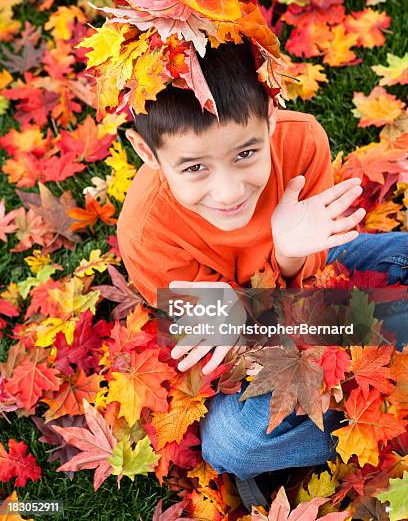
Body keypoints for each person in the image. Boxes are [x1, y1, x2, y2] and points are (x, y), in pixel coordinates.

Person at [116, 38, 408, 509]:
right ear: (147, 153)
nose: (228, 191)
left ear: (269, 118)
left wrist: (293, 257)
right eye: (194, 167)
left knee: (385, 258)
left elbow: (319, 276)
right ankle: (378, 407)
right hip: (258, 338)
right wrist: (283, 262)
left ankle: (382, 365)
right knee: (232, 443)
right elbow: (246, 340)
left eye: (246, 154)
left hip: (315, 276)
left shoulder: (300, 140)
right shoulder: (146, 231)